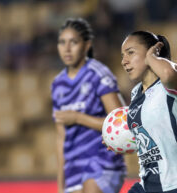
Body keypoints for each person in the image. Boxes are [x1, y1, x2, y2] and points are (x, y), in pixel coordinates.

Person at [120, 31, 177, 193]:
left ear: (152, 51)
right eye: (122, 55)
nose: (124, 61)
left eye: (130, 53)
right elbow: (152, 136)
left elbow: (167, 74)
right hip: (147, 184)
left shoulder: (170, 83)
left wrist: (152, 57)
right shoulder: (135, 93)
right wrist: (118, 140)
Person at [51, 18, 126, 193]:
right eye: (62, 42)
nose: (67, 48)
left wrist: (78, 118)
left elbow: (120, 124)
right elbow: (61, 136)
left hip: (102, 162)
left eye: (73, 42)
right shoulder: (58, 85)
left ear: (86, 46)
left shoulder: (98, 75)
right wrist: (60, 181)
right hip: (74, 167)